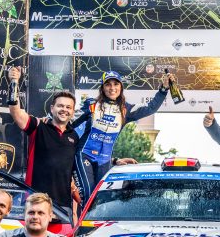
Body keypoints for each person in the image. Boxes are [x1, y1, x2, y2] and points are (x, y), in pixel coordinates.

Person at [72, 70, 173, 204]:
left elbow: (151, 108)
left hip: (104, 160)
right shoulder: (92, 104)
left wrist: (163, 90)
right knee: (88, 195)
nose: (112, 88)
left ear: (121, 87)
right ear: (102, 88)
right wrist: (49, 121)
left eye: (116, 84)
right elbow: (71, 121)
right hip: (85, 154)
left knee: (102, 199)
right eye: (108, 84)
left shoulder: (126, 109)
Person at [8, 66, 79, 218]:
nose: (64, 109)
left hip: (63, 206)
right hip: (35, 200)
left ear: (73, 112)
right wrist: (14, 81)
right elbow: (15, 112)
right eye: (60, 106)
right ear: (52, 108)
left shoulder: (74, 136)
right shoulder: (38, 126)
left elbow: (75, 169)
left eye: (68, 107)